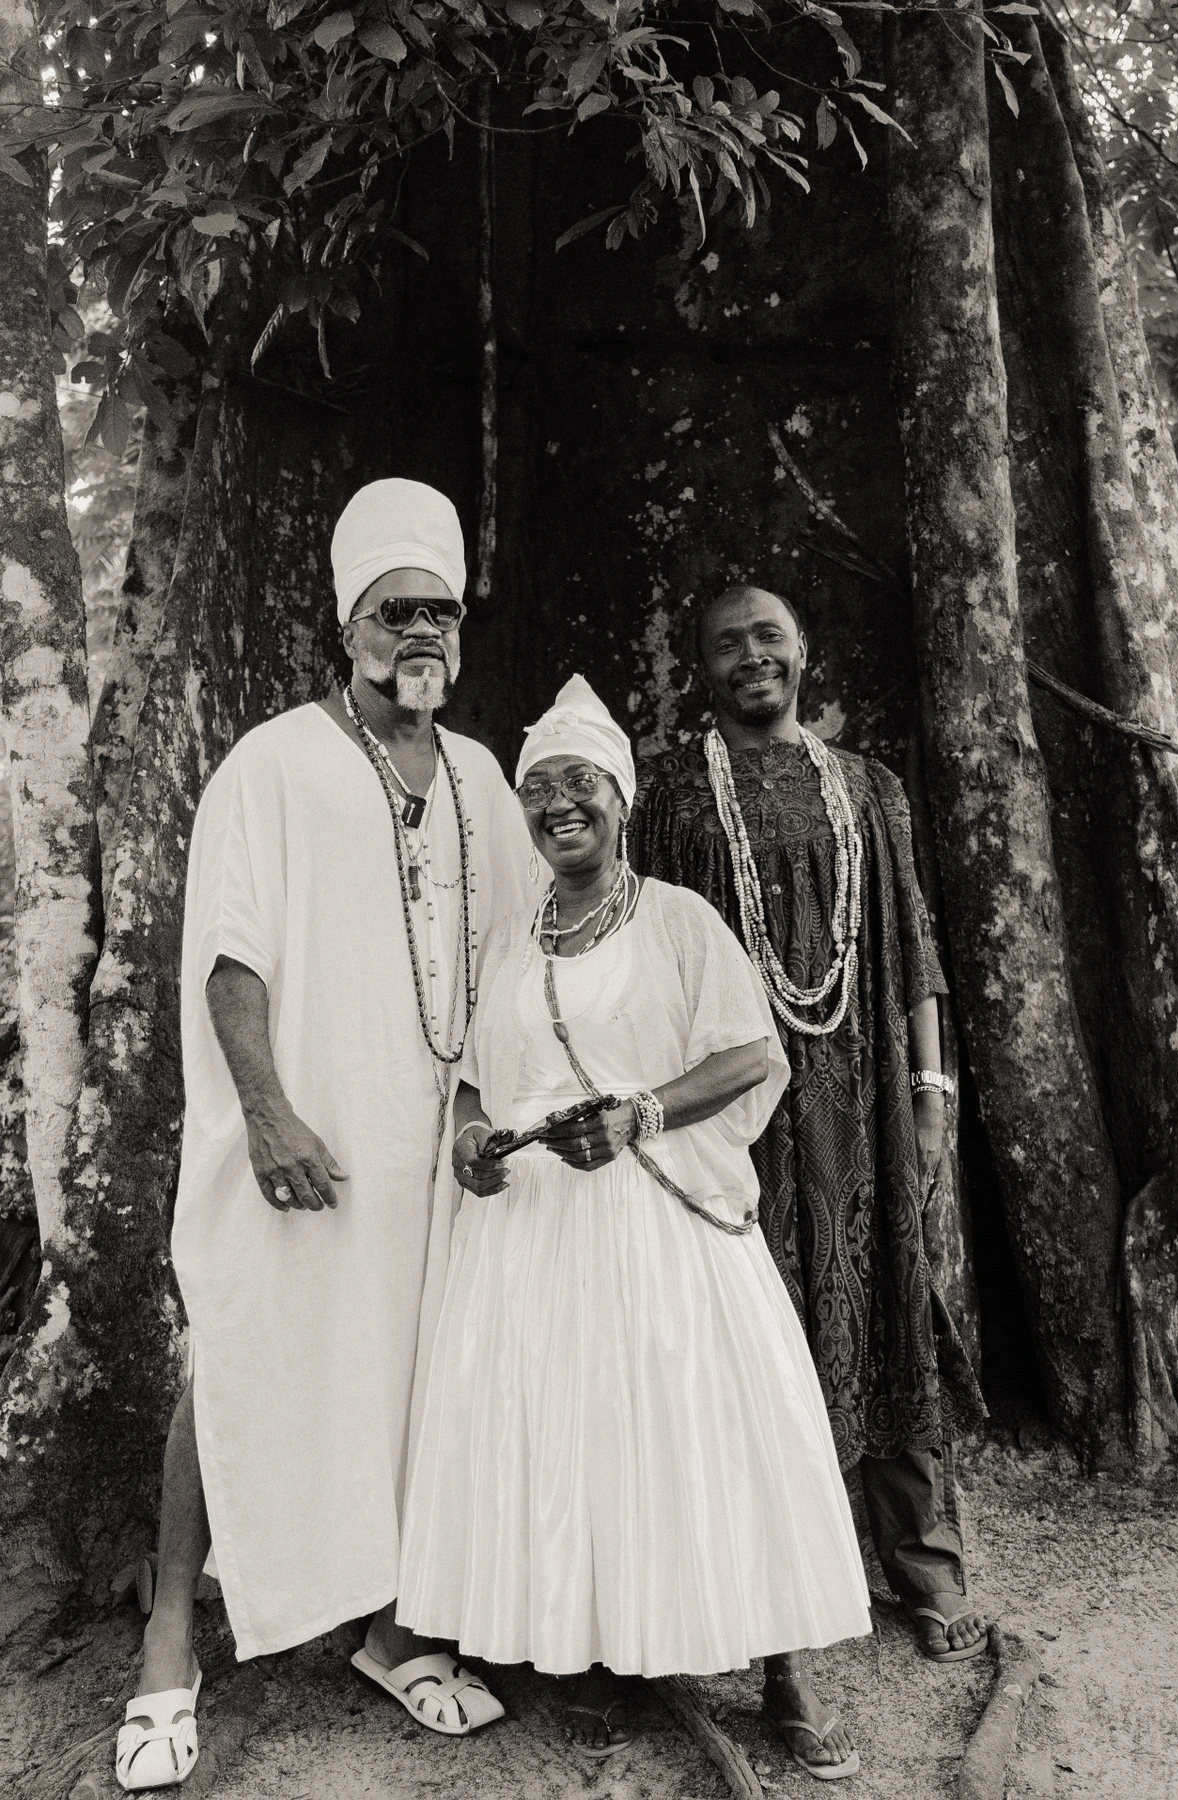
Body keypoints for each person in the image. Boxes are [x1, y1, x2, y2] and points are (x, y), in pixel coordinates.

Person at [114, 479, 535, 1791]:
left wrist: (489, 1108)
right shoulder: (275, 759)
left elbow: (522, 960)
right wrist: (270, 1109)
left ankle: (397, 1628)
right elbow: (230, 959)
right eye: (398, 610)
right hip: (303, 1141)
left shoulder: (481, 777)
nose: (423, 634)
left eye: (442, 613)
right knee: (239, 1359)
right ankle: (168, 1650)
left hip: (439, 1154)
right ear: (350, 619)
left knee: (423, 1384)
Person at [386, 674, 872, 1781]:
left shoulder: (679, 922)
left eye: (582, 785)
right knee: (581, 1437)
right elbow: (474, 1077)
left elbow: (756, 1056)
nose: (561, 805)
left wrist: (643, 1111)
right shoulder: (511, 942)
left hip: (660, 1224)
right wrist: (470, 1138)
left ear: (621, 797)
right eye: (540, 789)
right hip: (537, 1240)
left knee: (710, 1432)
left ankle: (784, 1669)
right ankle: (603, 1651)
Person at [628, 586, 991, 1669]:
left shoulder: (870, 790)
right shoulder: (675, 803)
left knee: (890, 1312)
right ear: (701, 667)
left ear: (804, 650)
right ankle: (771, 1589)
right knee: (755, 1331)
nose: (752, 656)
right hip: (737, 1117)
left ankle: (925, 1569)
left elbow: (917, 945)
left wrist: (929, 1089)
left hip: (870, 1104)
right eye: (727, 643)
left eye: (769, 636)